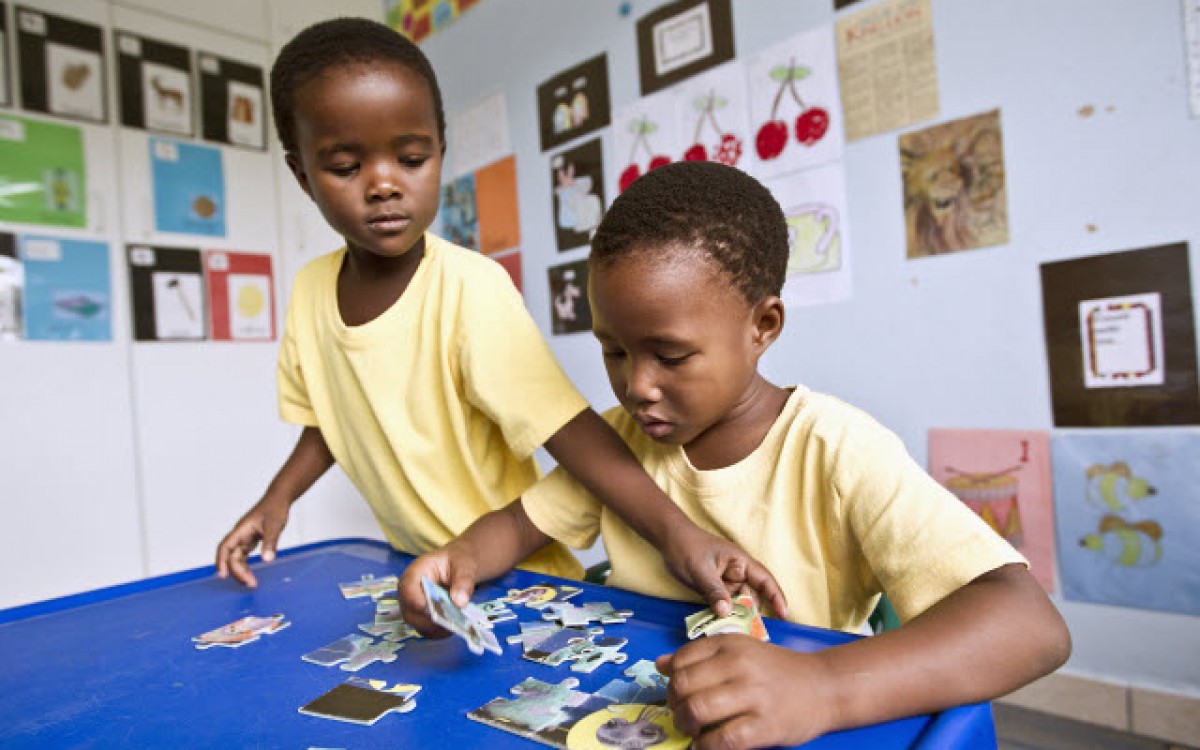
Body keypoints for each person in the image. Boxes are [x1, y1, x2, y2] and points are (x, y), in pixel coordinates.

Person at [399, 161, 1072, 749]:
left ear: (763, 326)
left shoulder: (837, 448)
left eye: (671, 354)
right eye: (614, 350)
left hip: (799, 721)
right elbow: (518, 527)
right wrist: (456, 561)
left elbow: (1029, 624)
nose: (637, 385)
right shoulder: (620, 444)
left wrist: (824, 687)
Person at [214, 17, 788, 620]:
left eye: (411, 158)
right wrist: (275, 502)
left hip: (521, 578)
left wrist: (676, 535)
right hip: (426, 574)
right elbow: (331, 415)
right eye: (346, 167)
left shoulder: (469, 287)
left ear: (439, 149)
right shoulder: (309, 291)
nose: (384, 184)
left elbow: (572, 434)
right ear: (303, 174)